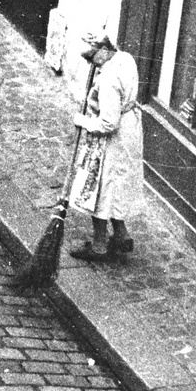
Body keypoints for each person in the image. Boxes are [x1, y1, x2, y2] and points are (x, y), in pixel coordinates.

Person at [69, 23, 144, 262]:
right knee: (116, 186)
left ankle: (99, 246)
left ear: (102, 48)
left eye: (91, 57)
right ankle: (121, 235)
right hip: (130, 129)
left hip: (114, 136)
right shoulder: (125, 58)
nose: (92, 63)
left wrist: (83, 121)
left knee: (100, 189)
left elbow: (108, 123)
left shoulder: (109, 79)